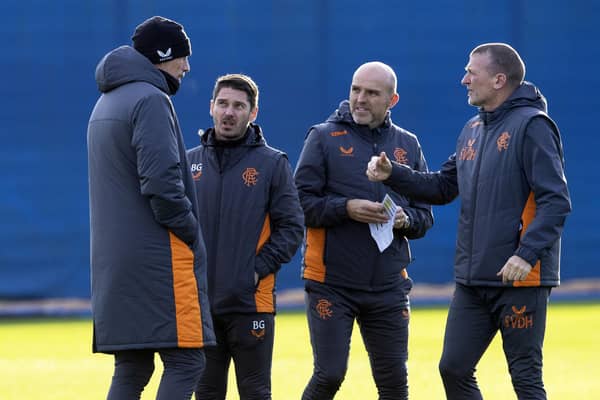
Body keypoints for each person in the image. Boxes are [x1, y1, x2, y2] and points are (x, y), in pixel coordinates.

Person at [367, 43, 571, 399]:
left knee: (524, 377)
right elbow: (443, 186)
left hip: (519, 277)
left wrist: (526, 254)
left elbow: (556, 201)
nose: (464, 80)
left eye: (471, 73)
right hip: (473, 278)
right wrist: (392, 173)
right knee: (454, 368)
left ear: (498, 80)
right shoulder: (473, 129)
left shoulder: (533, 126)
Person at [87, 16, 215, 400]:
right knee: (187, 361)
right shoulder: (150, 99)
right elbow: (161, 184)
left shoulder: (105, 101)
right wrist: (191, 231)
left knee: (133, 365)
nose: (187, 67)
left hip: (115, 262)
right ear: (163, 55)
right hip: (158, 257)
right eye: (182, 57)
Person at [294, 61, 434, 399]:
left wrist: (406, 220)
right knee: (329, 375)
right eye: (356, 89)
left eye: (372, 93)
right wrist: (346, 208)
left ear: (392, 100)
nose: (360, 98)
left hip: (388, 285)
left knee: (394, 385)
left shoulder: (408, 144)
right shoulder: (323, 137)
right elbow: (298, 204)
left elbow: (425, 215)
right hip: (332, 283)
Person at [187, 74, 304, 399]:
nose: (229, 112)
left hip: (251, 304)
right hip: (200, 305)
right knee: (206, 393)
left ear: (253, 113)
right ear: (211, 107)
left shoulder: (272, 163)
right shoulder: (189, 162)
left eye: (239, 106)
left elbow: (292, 228)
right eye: (223, 104)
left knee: (255, 392)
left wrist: (255, 270)